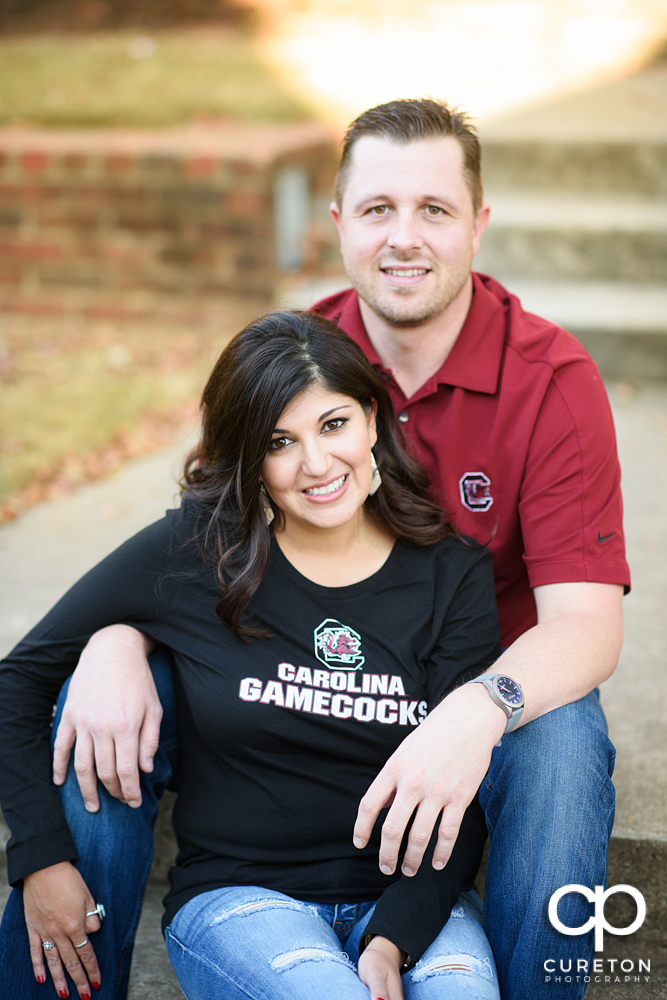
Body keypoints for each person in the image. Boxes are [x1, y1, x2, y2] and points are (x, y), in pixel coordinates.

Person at [21, 100, 629, 998]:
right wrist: (117, 636)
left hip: (489, 689)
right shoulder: (303, 357)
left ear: (478, 226)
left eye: (434, 209)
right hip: (285, 693)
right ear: (339, 223)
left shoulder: (551, 382)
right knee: (95, 703)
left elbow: (586, 627)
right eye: (378, 209)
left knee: (566, 739)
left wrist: (477, 707)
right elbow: (201, 542)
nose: (404, 238)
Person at [0, 312, 504, 1000]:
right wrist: (39, 858)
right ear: (248, 457)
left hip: (412, 909)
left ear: (371, 418)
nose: (317, 464)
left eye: (333, 426)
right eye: (280, 442)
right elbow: (18, 682)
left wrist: (391, 940)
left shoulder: (453, 575)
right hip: (244, 898)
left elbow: (463, 794)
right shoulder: (198, 552)